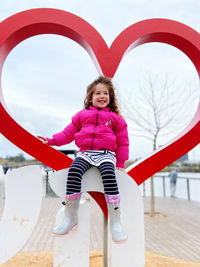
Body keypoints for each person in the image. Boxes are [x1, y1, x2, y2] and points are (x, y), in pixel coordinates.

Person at [37, 76, 129, 243]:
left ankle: (116, 221)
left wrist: (121, 162)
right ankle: (70, 216)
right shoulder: (81, 115)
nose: (102, 96)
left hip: (106, 154)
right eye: (98, 93)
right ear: (90, 98)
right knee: (74, 171)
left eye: (106, 93)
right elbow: (67, 134)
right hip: (85, 153)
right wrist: (50, 141)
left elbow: (123, 141)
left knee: (109, 174)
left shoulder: (115, 118)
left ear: (110, 97)